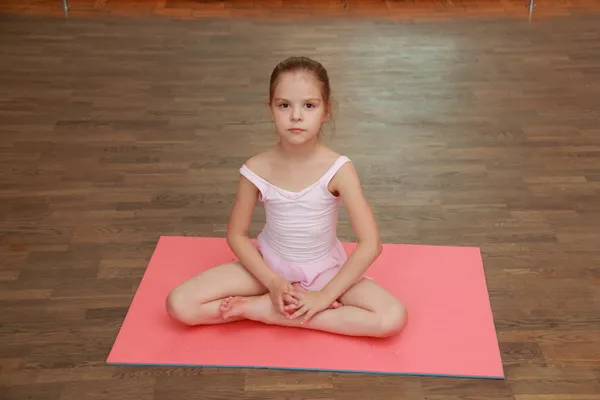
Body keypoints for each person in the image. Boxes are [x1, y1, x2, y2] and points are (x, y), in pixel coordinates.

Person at [166, 56, 408, 338]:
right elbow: (236, 235)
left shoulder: (339, 170)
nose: (296, 116)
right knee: (179, 304)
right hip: (269, 265)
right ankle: (284, 307)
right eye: (284, 105)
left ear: (326, 111)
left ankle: (264, 312)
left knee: (392, 317)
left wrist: (324, 296)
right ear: (270, 109)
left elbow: (371, 244)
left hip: (325, 272)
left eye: (309, 105)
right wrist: (273, 282)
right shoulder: (256, 168)